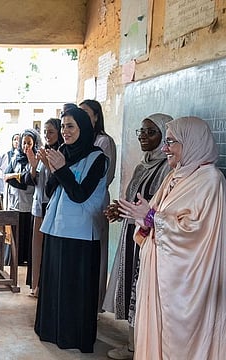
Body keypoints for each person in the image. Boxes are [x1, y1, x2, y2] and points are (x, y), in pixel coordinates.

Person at [117, 116, 226, 360]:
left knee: (179, 344)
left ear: (191, 143)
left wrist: (153, 218)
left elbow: (196, 235)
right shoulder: (174, 176)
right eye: (166, 142)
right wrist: (144, 218)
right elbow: (153, 217)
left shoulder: (210, 181)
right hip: (158, 273)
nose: (165, 148)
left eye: (171, 142)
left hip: (185, 284)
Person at [34, 107, 108, 353]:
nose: (65, 132)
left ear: (84, 128)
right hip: (56, 227)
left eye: (71, 126)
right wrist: (52, 168)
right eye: (63, 126)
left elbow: (79, 194)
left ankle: (73, 336)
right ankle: (52, 330)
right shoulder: (62, 151)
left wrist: (62, 168)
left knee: (75, 288)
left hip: (80, 232)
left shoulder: (97, 158)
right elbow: (49, 191)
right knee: (55, 283)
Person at [102, 113, 172, 359]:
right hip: (133, 235)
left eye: (150, 132)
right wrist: (119, 210)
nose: (143, 136)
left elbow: (161, 207)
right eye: (141, 131)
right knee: (132, 290)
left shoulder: (168, 169)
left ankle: (143, 347)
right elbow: (135, 200)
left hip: (152, 240)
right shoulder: (144, 165)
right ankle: (133, 344)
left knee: (143, 291)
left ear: (164, 136)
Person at [79, 99, 117, 312]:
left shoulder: (103, 141)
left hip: (95, 200)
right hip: (78, 202)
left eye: (86, 112)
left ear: (96, 116)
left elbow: (107, 175)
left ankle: (97, 299)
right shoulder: (82, 140)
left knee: (98, 250)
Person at [26, 118, 63, 297]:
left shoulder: (61, 153)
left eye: (51, 132)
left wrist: (47, 163)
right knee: (37, 247)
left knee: (49, 249)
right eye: (45, 132)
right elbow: (35, 180)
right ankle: (36, 285)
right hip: (38, 203)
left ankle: (46, 287)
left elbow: (57, 179)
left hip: (51, 204)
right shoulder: (43, 152)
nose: (47, 135)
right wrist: (33, 167)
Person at [4, 129, 39, 287]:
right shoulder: (14, 158)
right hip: (15, 203)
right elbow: (7, 176)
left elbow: (29, 180)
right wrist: (18, 178)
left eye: (29, 143)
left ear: (34, 144)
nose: (25, 146)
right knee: (15, 237)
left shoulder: (36, 159)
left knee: (27, 234)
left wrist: (16, 178)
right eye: (23, 143)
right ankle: (14, 262)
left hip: (29, 203)